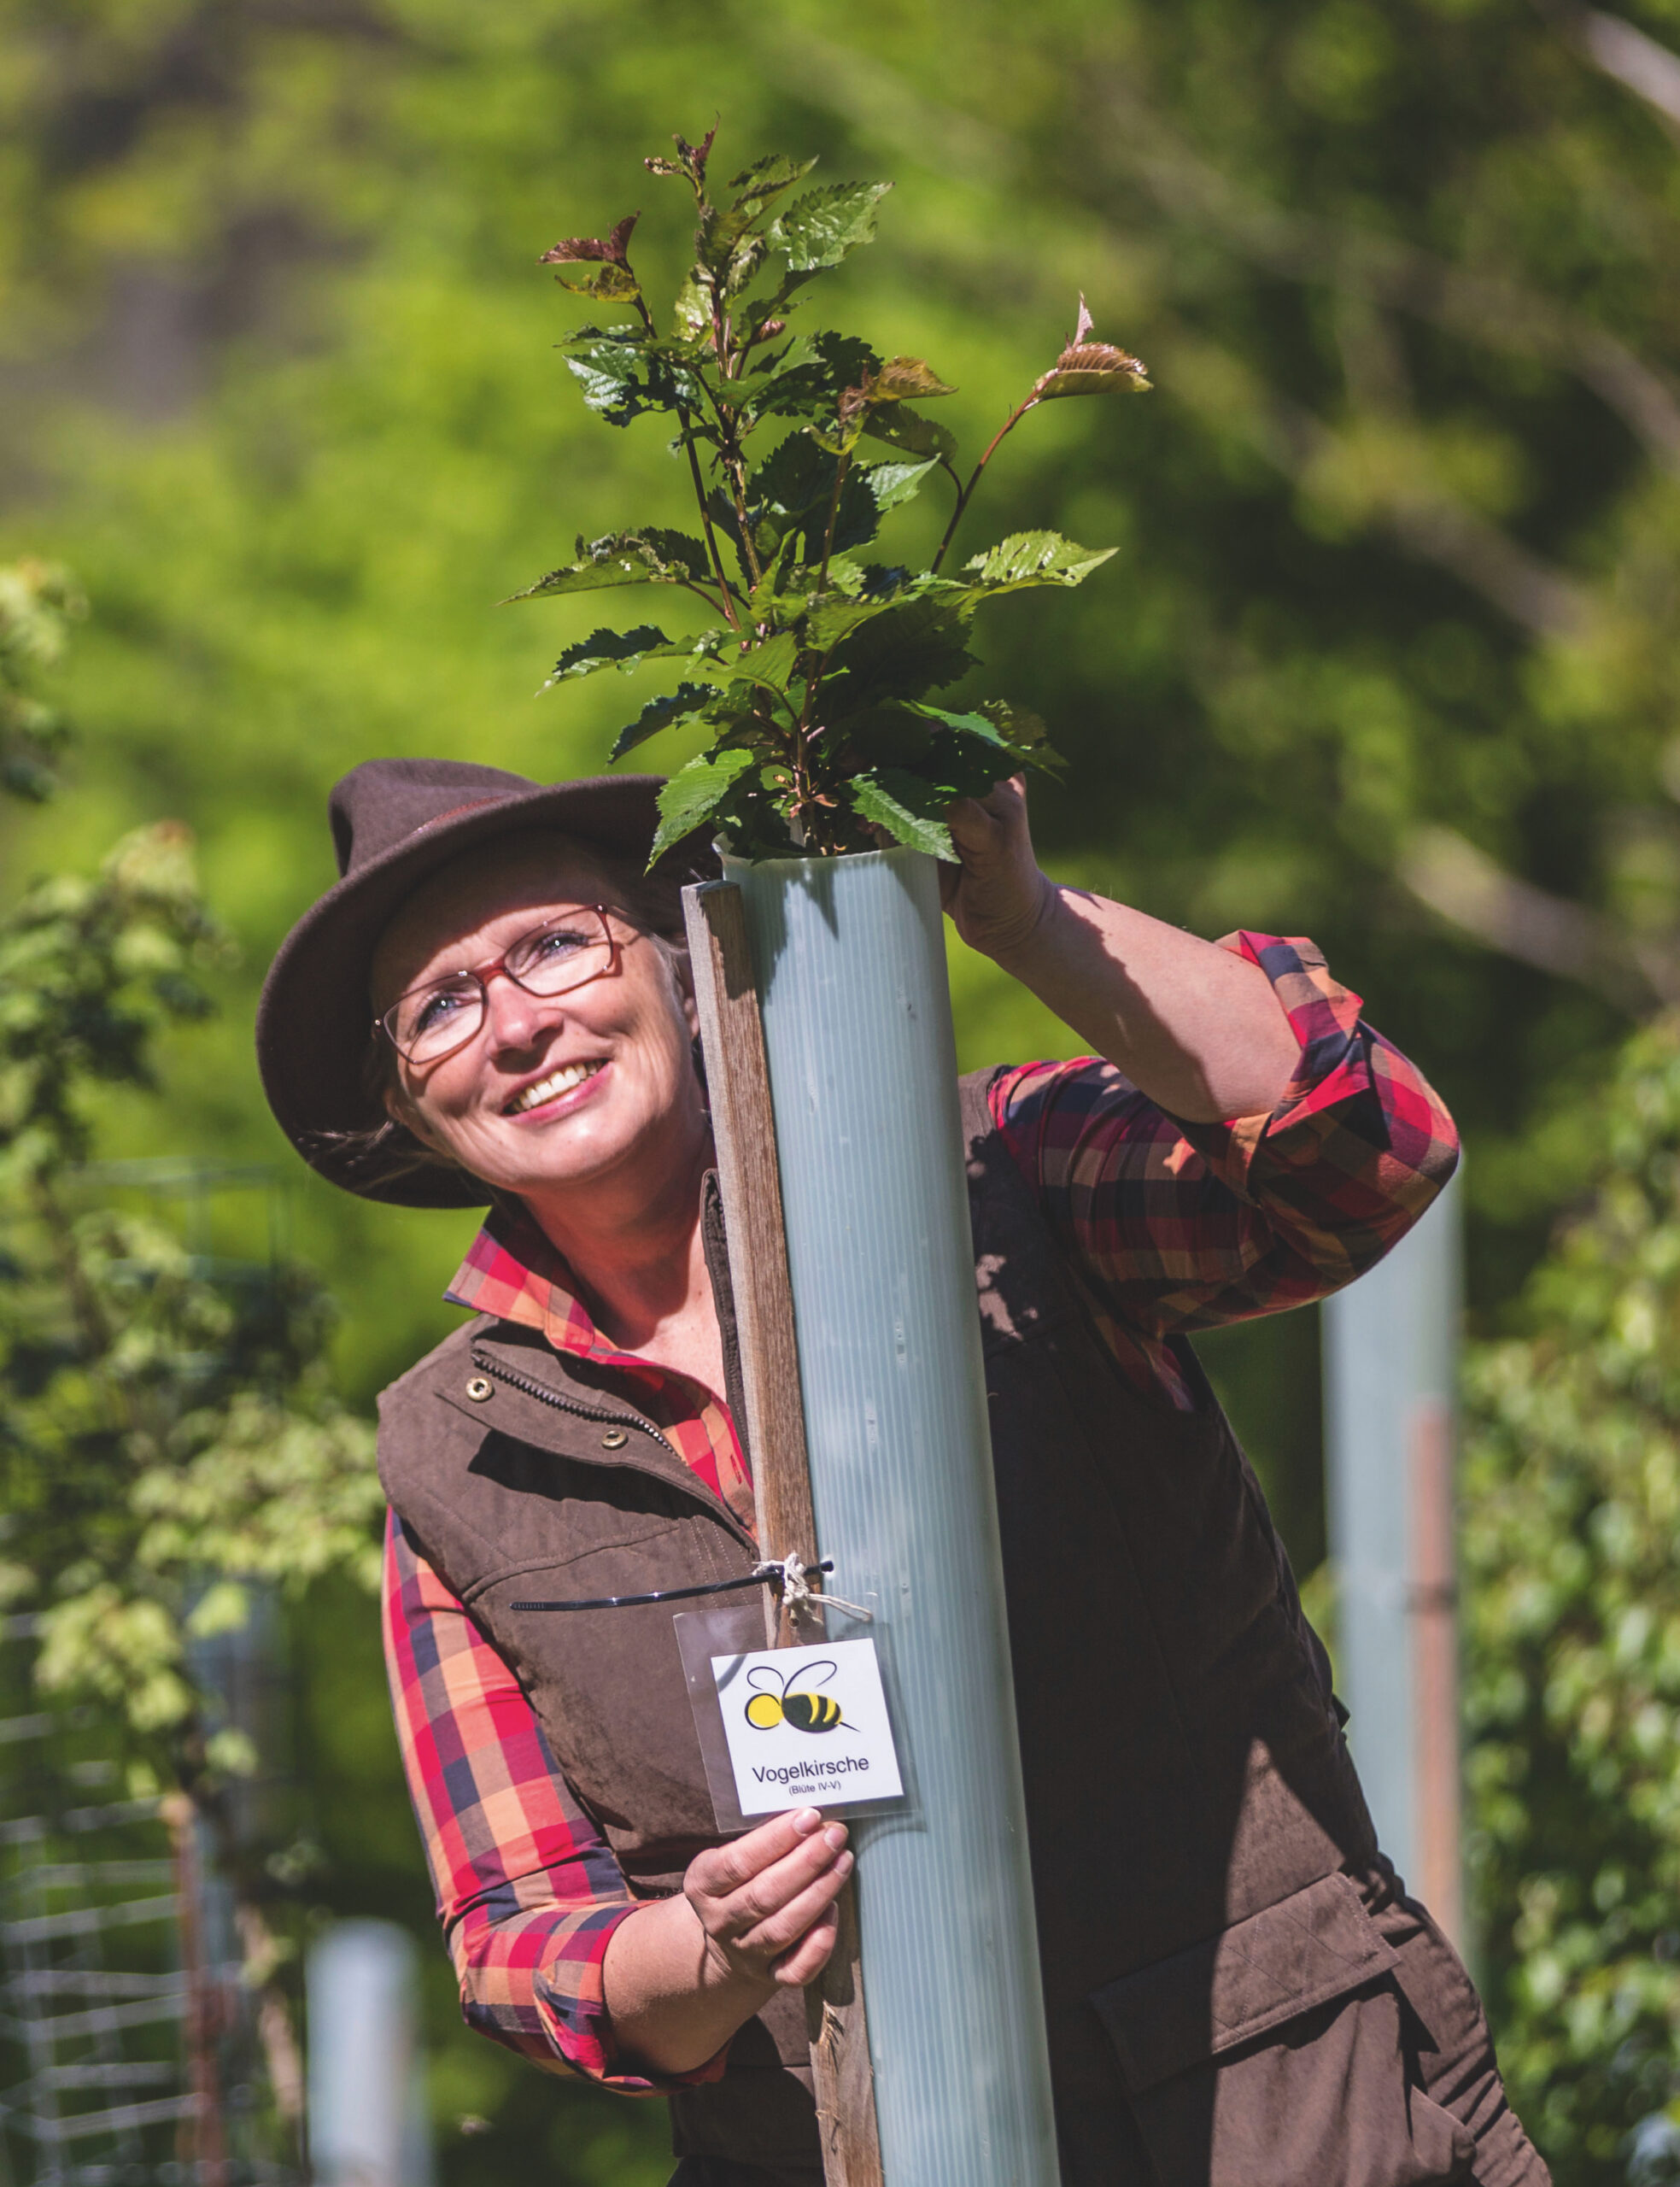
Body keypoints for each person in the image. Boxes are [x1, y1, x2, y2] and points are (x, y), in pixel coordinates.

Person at [257, 755, 1548, 2187]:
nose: (516, 1023)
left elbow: (1363, 1150)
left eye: (556, 945)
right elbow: (516, 1943)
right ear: (410, 1103)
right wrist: (711, 1945)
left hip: (1303, 2118)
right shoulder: (459, 1454)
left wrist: (1029, 919)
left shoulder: (996, 1182)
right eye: (442, 1008)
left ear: (685, 960)